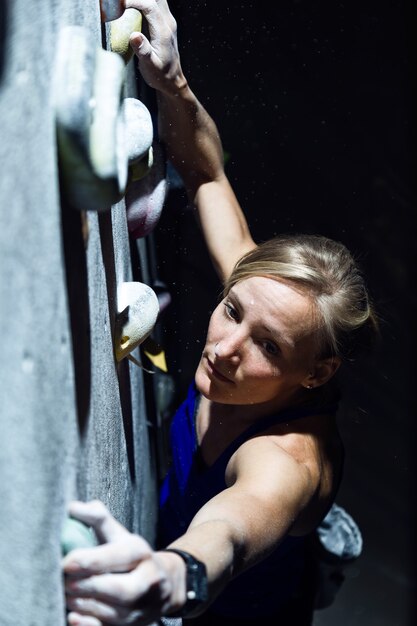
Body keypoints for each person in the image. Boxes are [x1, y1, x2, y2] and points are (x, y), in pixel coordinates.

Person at [63, 1, 378, 624]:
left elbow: (232, 531)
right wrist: (174, 81)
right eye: (231, 311)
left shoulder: (288, 461)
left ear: (317, 372)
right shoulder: (263, 288)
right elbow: (206, 174)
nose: (227, 347)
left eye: (268, 347)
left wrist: (174, 572)